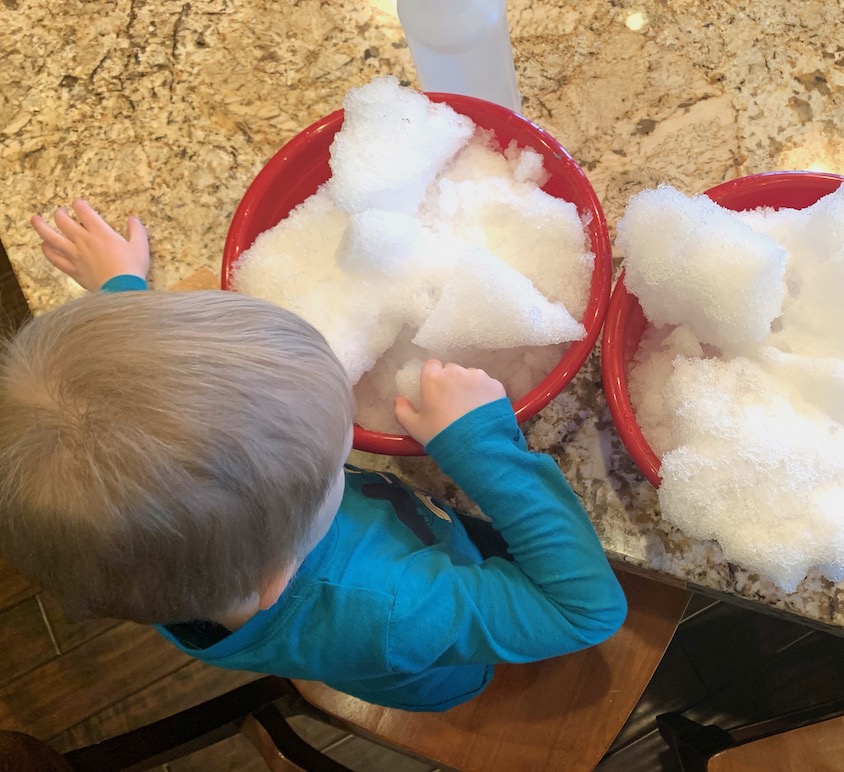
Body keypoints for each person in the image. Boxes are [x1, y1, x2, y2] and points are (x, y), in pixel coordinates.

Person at [0, 200, 627, 712]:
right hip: (444, 672)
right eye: (334, 464)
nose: (344, 452)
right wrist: (481, 448)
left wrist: (121, 294)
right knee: (467, 673)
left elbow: (125, 414)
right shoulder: (391, 608)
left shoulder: (154, 553)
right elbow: (584, 611)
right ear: (276, 575)